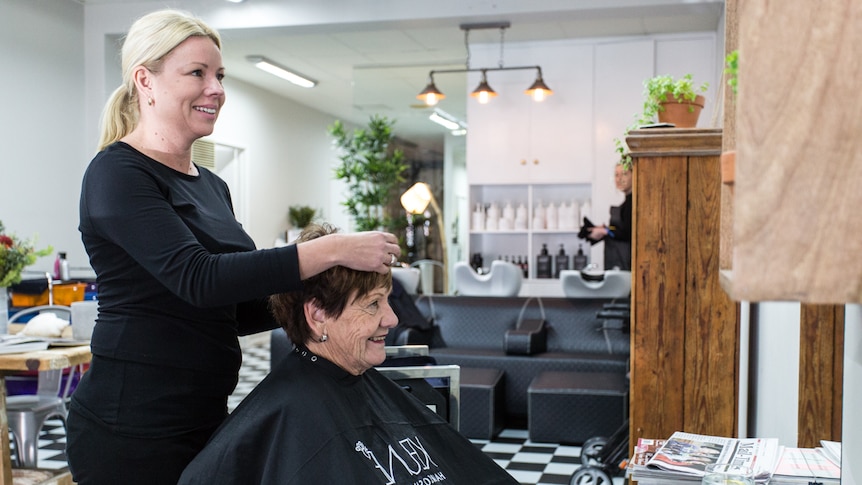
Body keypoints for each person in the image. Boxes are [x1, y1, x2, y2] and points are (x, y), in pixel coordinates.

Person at [67, 9, 401, 484]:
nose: (216, 89)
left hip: (206, 415)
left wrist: (318, 300)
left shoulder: (212, 186)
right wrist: (332, 251)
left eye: (219, 75)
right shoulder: (117, 174)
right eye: (197, 73)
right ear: (146, 81)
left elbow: (235, 310)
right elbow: (199, 278)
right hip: (131, 428)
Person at [178, 223, 517, 485]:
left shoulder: (361, 383)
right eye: (372, 305)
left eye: (387, 300)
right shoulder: (284, 420)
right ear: (317, 316)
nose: (393, 319)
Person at [587, 162, 632, 270]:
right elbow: (619, 229)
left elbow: (628, 233)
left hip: (626, 264)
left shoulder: (633, 203)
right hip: (617, 263)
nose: (619, 178)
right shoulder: (626, 203)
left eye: (624, 174)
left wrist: (606, 231)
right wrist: (604, 229)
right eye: (616, 175)